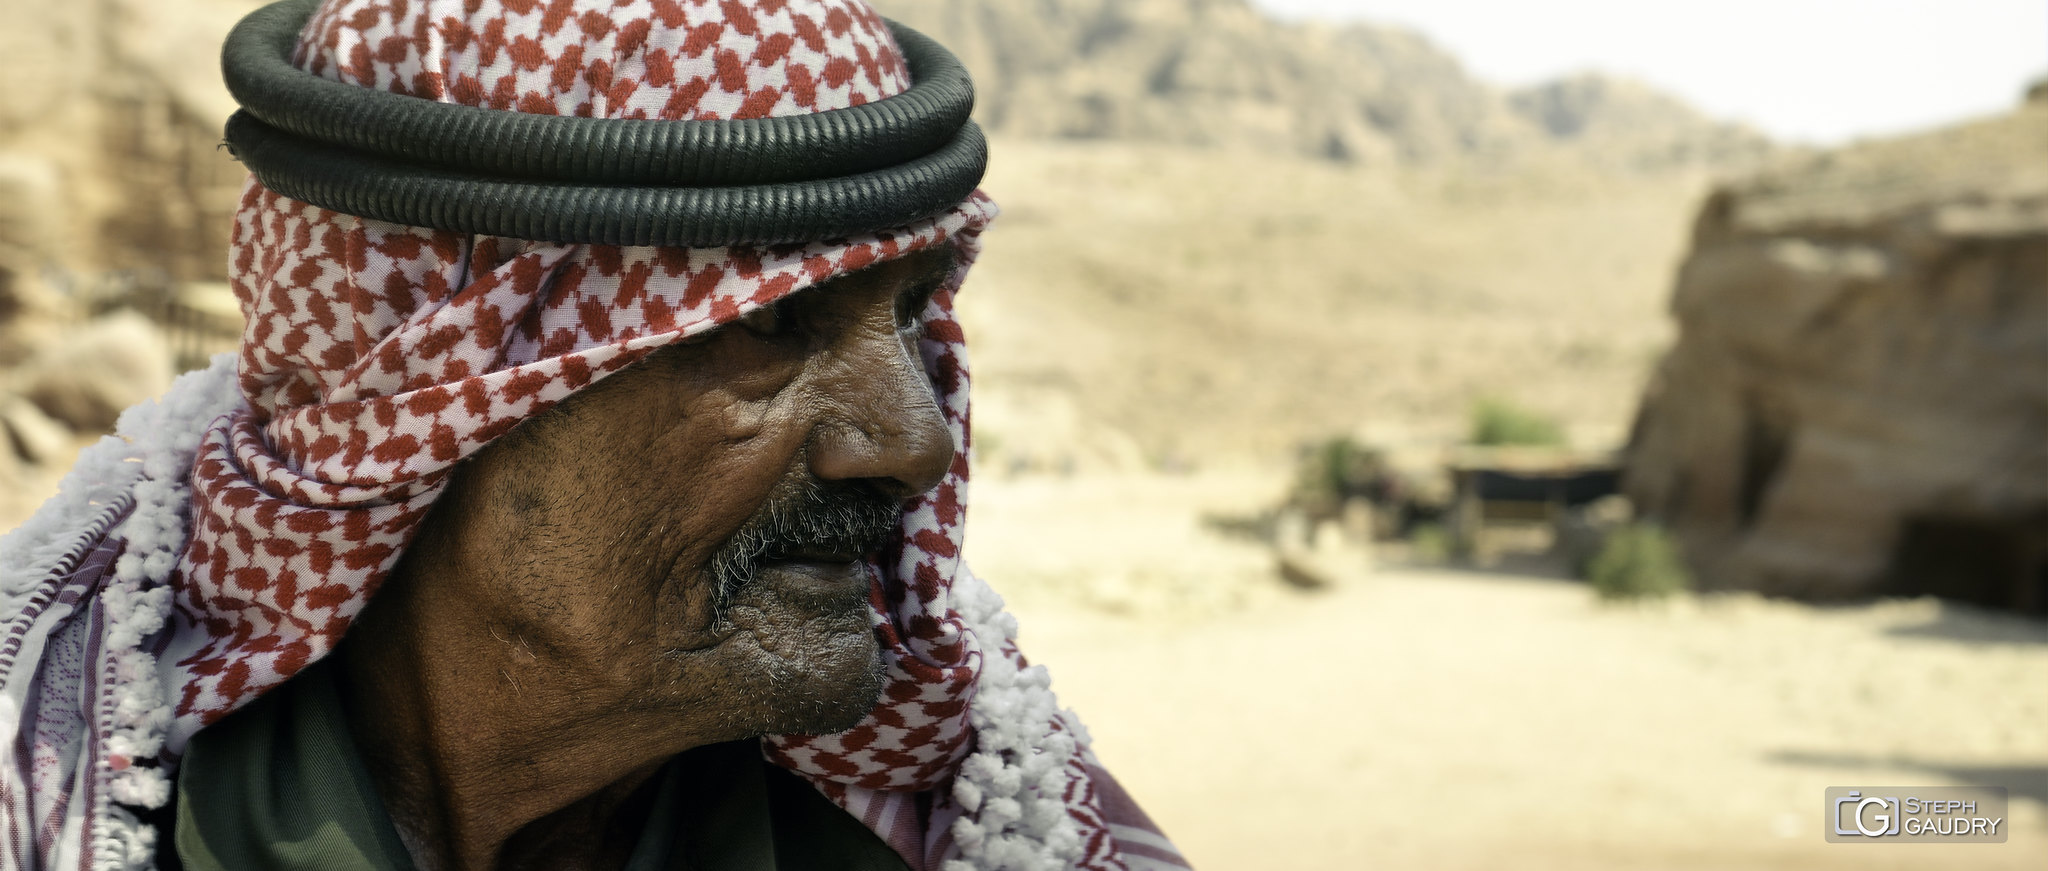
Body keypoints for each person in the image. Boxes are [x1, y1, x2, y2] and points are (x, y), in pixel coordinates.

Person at [0, 0, 1188, 868]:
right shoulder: (68, 799)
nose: (909, 440)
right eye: (771, 323)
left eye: (912, 312)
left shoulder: (955, 824)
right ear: (420, 397)